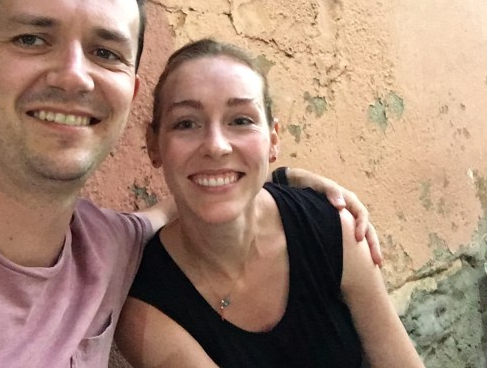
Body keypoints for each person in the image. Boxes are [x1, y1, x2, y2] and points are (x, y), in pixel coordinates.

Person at [0, 0, 377, 368]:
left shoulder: (109, 247)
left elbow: (190, 198)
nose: (74, 76)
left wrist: (280, 177)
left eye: (105, 52)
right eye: (31, 39)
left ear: (130, 93)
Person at [116, 38, 424, 367]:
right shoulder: (147, 305)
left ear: (273, 140)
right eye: (186, 123)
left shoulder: (330, 227)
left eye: (241, 120)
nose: (216, 146)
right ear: (154, 145)